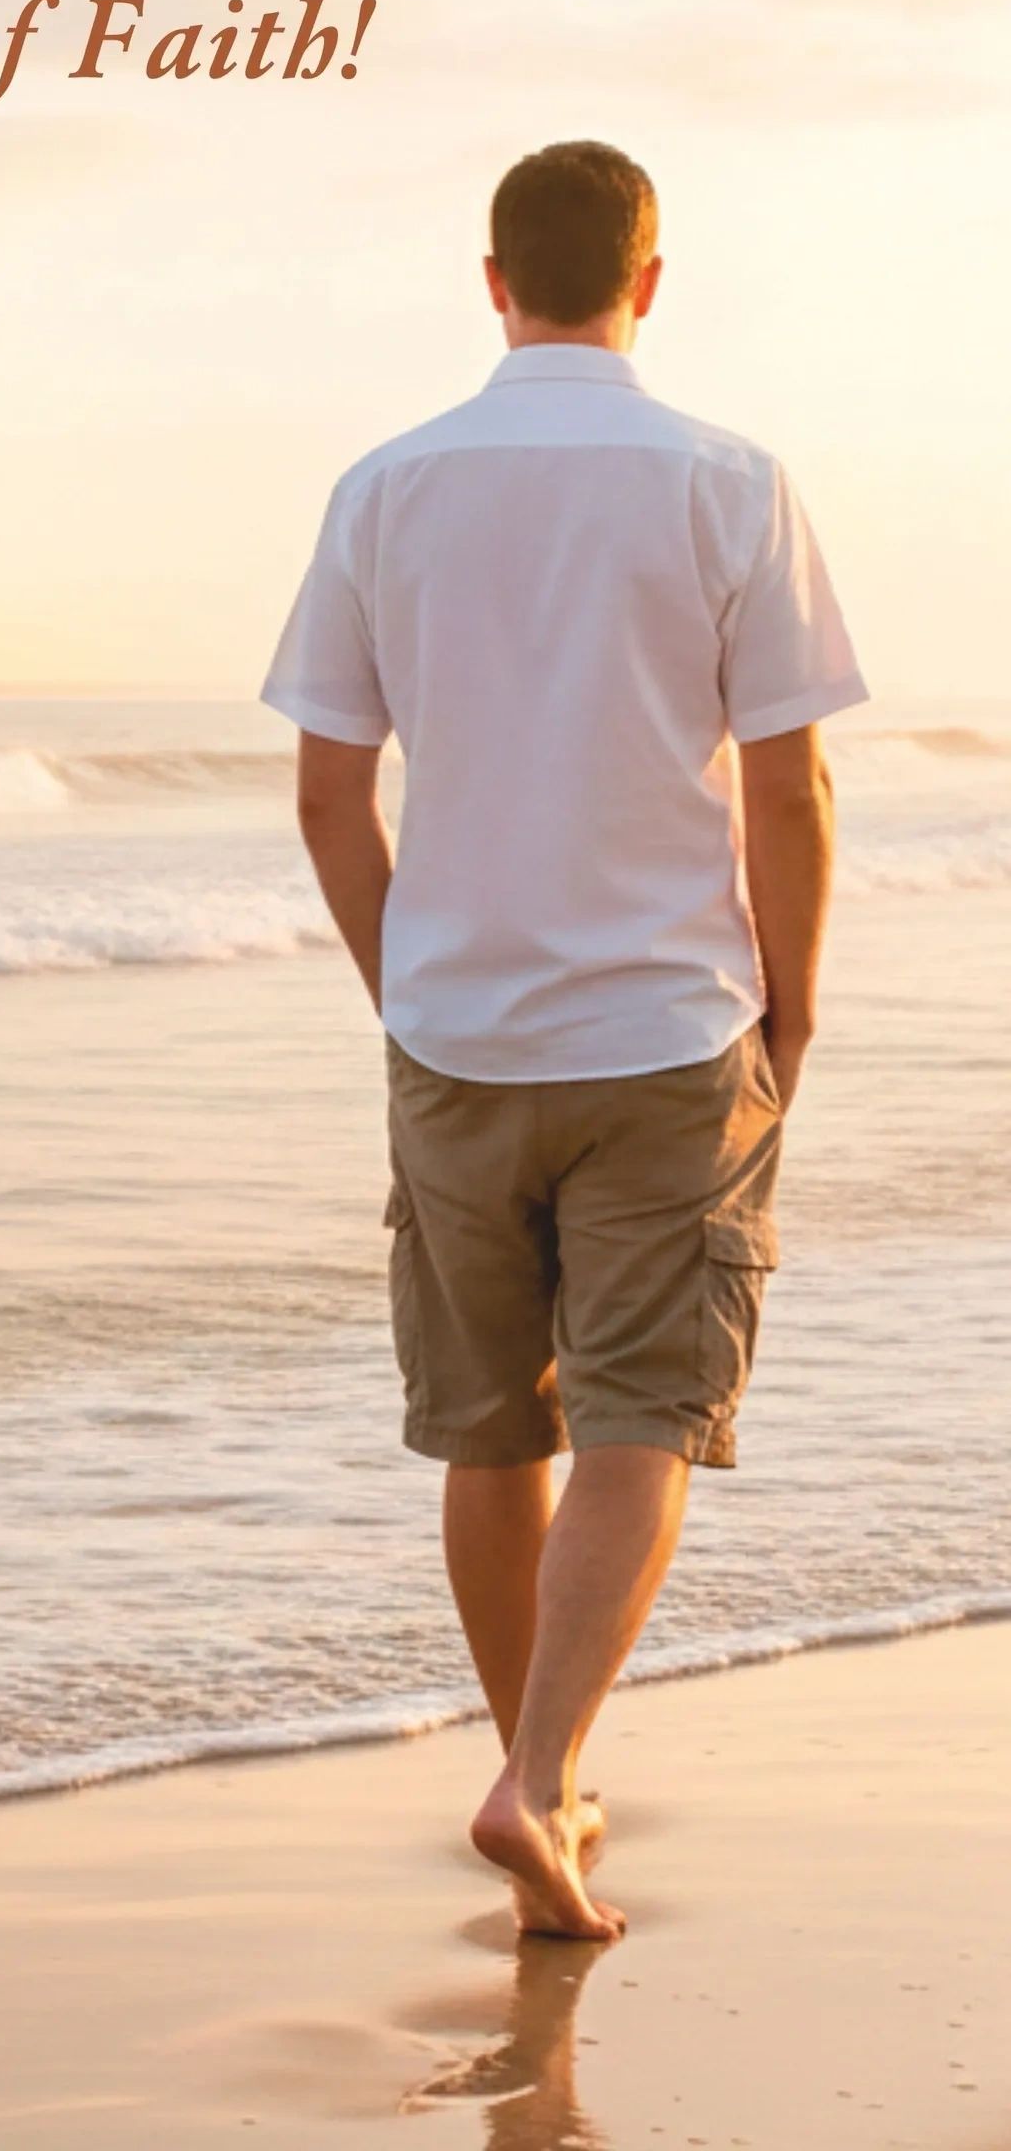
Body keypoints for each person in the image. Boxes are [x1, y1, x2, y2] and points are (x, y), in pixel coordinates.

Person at [262, 141, 866, 1941]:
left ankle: (549, 1784)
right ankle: (539, 1777)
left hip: (458, 1035)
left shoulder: (388, 486)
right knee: (638, 1423)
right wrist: (793, 998)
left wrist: (411, 988)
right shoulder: (726, 482)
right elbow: (790, 782)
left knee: (486, 1430)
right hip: (667, 1025)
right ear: (649, 281)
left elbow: (323, 791)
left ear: (491, 279)